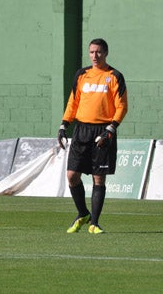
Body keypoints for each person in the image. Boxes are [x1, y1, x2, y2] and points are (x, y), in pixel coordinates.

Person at [57, 38, 128, 234]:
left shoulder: (114, 76)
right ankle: (83, 213)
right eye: (91, 52)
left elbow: (122, 106)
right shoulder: (82, 75)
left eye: (98, 52)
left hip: (103, 131)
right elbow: (73, 102)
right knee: (72, 176)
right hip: (81, 130)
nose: (94, 56)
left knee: (99, 179)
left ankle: (94, 223)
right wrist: (64, 124)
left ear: (105, 53)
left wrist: (111, 128)